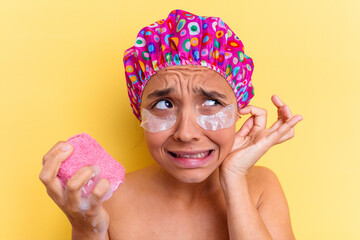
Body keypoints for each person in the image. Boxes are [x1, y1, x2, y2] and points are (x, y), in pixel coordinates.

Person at [40, 9, 303, 240]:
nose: (186, 133)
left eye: (211, 102)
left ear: (239, 112)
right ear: (140, 114)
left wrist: (234, 177)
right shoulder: (107, 198)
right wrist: (87, 230)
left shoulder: (260, 187)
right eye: (164, 105)